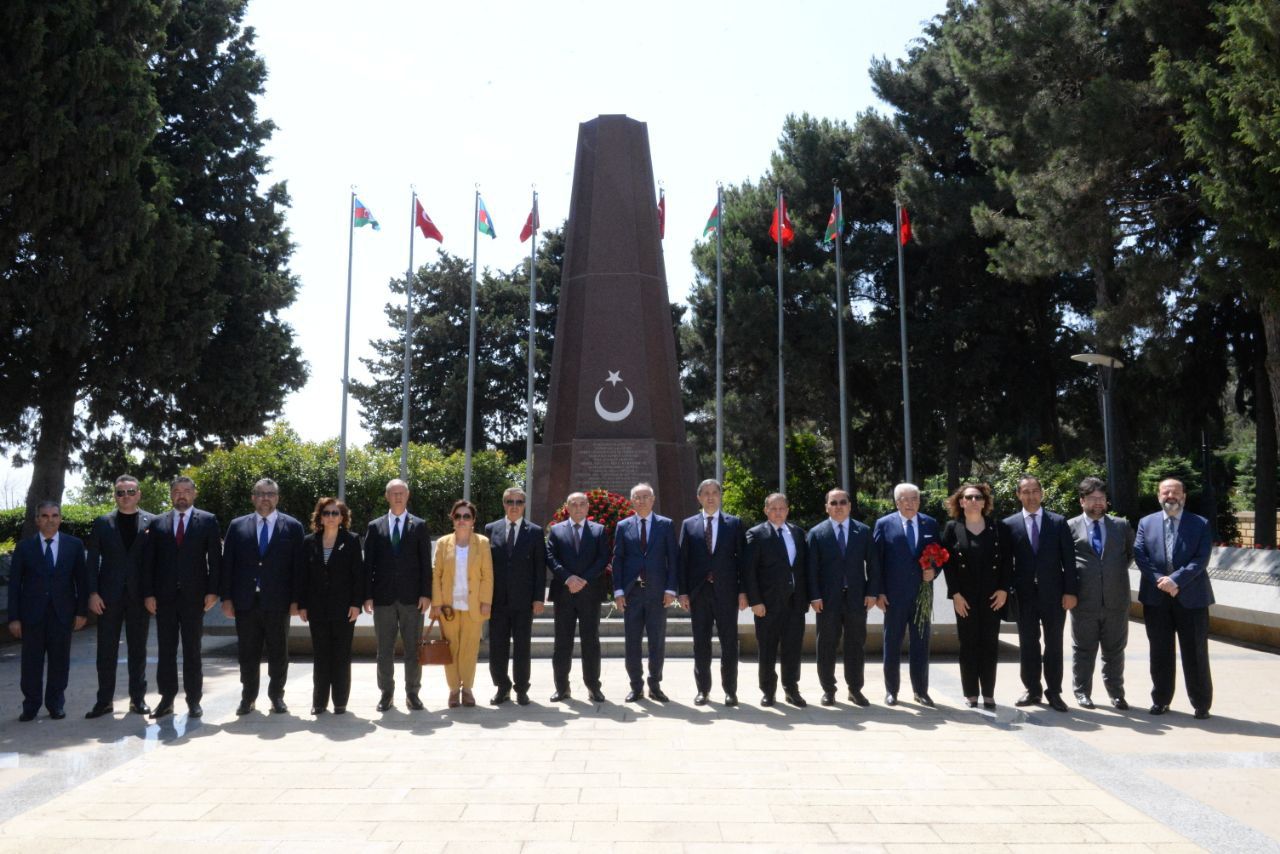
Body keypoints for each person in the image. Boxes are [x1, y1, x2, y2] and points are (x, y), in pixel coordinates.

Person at [220, 478, 305, 715]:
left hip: (278, 602)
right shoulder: (237, 526)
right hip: (245, 601)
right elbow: (228, 564)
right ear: (253, 498)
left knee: (278, 651)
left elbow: (299, 568)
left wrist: (296, 600)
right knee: (247, 652)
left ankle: (277, 696)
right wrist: (226, 598)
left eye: (270, 494)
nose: (265, 498)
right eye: (260, 493)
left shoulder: (293, 526)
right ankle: (248, 697)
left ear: (277, 498)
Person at [141, 476, 222, 718]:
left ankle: (194, 700)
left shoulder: (207, 520)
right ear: (171, 494)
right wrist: (148, 593)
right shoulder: (157, 523)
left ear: (194, 494)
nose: (181, 495)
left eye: (186, 490)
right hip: (163, 598)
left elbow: (215, 559)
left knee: (192, 650)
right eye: (176, 491)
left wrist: (213, 591)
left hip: (194, 598)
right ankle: (166, 699)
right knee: (166, 650)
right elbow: (149, 562)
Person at [1134, 478, 1214, 719]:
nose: (1171, 496)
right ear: (1158, 496)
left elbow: (1201, 558)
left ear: (1184, 496)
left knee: (1196, 653)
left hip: (1192, 598)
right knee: (1160, 652)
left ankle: (1201, 704)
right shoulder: (1146, 523)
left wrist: (1175, 581)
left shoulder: (1200, 523)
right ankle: (1160, 700)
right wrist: (1161, 580)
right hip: (1156, 598)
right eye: (1166, 492)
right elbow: (1140, 555)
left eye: (1176, 492)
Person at [8, 502, 89, 721]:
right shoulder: (24, 547)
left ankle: (56, 704)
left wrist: (81, 612)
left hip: (62, 614)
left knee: (59, 662)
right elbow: (15, 585)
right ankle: (30, 706)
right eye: (44, 516)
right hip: (31, 615)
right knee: (31, 663)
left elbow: (82, 581)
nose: (50, 520)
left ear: (60, 519)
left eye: (54, 515)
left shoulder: (74, 545)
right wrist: (14, 618)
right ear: (37, 520)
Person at [1003, 474, 1077, 712]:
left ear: (1042, 493)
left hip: (1054, 594)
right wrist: (1008, 589)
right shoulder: (1009, 524)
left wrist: (1070, 591)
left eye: (1035, 491)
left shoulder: (1058, 522)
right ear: (1018, 495)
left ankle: (1054, 691)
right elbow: (1006, 562)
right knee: (1028, 642)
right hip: (1024, 594)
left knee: (1054, 643)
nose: (1031, 496)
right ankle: (1032, 689)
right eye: (1026, 492)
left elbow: (1069, 560)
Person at [84, 475, 156, 719]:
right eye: (120, 492)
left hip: (140, 596)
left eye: (130, 491)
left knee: (138, 650)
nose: (126, 496)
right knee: (106, 651)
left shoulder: (152, 521)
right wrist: (92, 593)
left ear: (139, 494)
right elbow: (92, 561)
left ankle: (138, 700)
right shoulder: (102, 523)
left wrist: (153, 593)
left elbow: (157, 560)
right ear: (114, 495)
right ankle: (104, 701)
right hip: (108, 597)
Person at [362, 478, 432, 712]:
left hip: (413, 599)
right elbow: (368, 564)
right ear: (387, 497)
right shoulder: (375, 526)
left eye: (402, 493)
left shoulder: (419, 525)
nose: (398, 497)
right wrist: (367, 595)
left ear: (408, 495)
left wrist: (426, 594)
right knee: (384, 650)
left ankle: (413, 693)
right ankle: (386, 693)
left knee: (413, 649)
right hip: (383, 599)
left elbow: (425, 564)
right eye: (394, 493)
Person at [939, 483, 1011, 709]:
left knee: (989, 644)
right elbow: (948, 565)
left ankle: (988, 693)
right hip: (965, 598)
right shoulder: (952, 528)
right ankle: (970, 693)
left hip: (992, 596)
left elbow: (1007, 561)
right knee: (968, 644)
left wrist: (1003, 589)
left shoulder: (998, 528)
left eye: (977, 497)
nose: (973, 501)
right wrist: (955, 594)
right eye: (968, 497)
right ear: (961, 502)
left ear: (984, 502)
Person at [807, 488, 880, 707]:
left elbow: (873, 564)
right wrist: (814, 596)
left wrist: (872, 592)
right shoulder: (816, 533)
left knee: (856, 644)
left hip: (857, 598)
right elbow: (811, 569)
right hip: (827, 600)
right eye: (833, 503)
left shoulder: (863, 531)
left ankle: (855, 689)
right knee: (826, 645)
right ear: (826, 507)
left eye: (842, 502)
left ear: (849, 505)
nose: (838, 506)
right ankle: (828, 689)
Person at [677, 479, 747, 706]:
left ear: (720, 496)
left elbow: (743, 562)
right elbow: (683, 561)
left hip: (727, 593)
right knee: (701, 644)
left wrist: (743, 592)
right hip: (699, 594)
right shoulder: (688, 525)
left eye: (714, 492)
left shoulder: (734, 523)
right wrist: (683, 592)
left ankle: (730, 691)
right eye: (705, 493)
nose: (710, 497)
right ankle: (703, 690)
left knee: (729, 643)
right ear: (698, 498)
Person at [1068, 477, 1135, 710]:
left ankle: (1116, 693)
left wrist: (1108, 575)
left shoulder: (1121, 525)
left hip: (1116, 601)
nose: (1098, 503)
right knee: (1083, 650)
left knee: (1115, 650)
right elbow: (1065, 561)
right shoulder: (1070, 526)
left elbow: (1129, 555)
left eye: (1102, 498)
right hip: (1084, 601)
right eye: (1092, 498)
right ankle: (1082, 692)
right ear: (1082, 500)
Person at [873, 483, 940, 707]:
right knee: (892, 643)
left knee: (921, 643)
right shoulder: (884, 524)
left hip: (922, 595)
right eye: (905, 499)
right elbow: (876, 561)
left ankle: (921, 691)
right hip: (893, 596)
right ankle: (891, 691)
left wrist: (934, 571)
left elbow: (940, 554)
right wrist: (879, 591)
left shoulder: (930, 523)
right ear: (897, 502)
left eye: (915, 498)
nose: (910, 503)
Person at [613, 482, 679, 703]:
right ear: (632, 501)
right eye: (637, 497)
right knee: (632, 642)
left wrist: (670, 589)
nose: (641, 501)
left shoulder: (666, 525)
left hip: (657, 594)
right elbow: (618, 560)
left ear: (653, 500)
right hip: (631, 594)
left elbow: (673, 559)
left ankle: (655, 685)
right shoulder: (623, 526)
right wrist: (618, 591)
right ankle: (636, 686)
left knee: (656, 642)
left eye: (645, 497)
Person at [743, 493, 809, 707]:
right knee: (767, 649)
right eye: (773, 508)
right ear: (766, 510)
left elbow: (804, 568)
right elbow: (749, 571)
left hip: (795, 603)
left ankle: (791, 689)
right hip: (767, 604)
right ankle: (768, 691)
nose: (778, 512)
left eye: (782, 508)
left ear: (788, 510)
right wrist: (755, 601)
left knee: (793, 648)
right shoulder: (756, 534)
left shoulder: (798, 533)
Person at [298, 498, 363, 715]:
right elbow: (303, 576)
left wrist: (356, 604)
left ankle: (340, 702)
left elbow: (358, 575)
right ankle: (319, 702)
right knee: (321, 655)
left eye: (336, 513)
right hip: (317, 609)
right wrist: (302, 605)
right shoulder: (309, 541)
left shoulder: (351, 540)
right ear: (320, 517)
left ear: (342, 517)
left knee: (341, 655)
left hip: (344, 608)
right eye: (327, 513)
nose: (331, 517)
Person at [484, 487, 547, 706]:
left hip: (524, 601)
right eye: (510, 502)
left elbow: (540, 568)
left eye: (519, 502)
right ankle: (502, 686)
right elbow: (485, 566)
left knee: (522, 647)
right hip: (497, 600)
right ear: (503, 504)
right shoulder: (491, 529)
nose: (514, 506)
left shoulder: (535, 532)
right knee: (497, 647)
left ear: (524, 505)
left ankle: (521, 688)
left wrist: (538, 598)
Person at [544, 492, 608, 703]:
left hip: (590, 594)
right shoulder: (556, 530)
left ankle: (593, 687)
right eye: (574, 504)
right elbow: (550, 557)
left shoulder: (599, 530)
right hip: (564, 594)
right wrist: (568, 578)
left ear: (588, 507)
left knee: (591, 642)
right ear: (567, 507)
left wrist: (583, 580)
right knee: (562, 643)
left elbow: (603, 559)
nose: (578, 508)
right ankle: (562, 688)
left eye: (582, 504)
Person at [431, 499, 493, 708]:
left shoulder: (482, 543)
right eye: (458, 516)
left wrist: (486, 601)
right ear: (453, 519)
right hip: (448, 606)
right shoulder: (443, 543)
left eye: (466, 516)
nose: (462, 520)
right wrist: (436, 604)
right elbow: (436, 575)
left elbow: (487, 575)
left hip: (473, 605)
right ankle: (453, 690)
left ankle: (467, 689)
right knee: (451, 649)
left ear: (473, 520)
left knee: (469, 649)